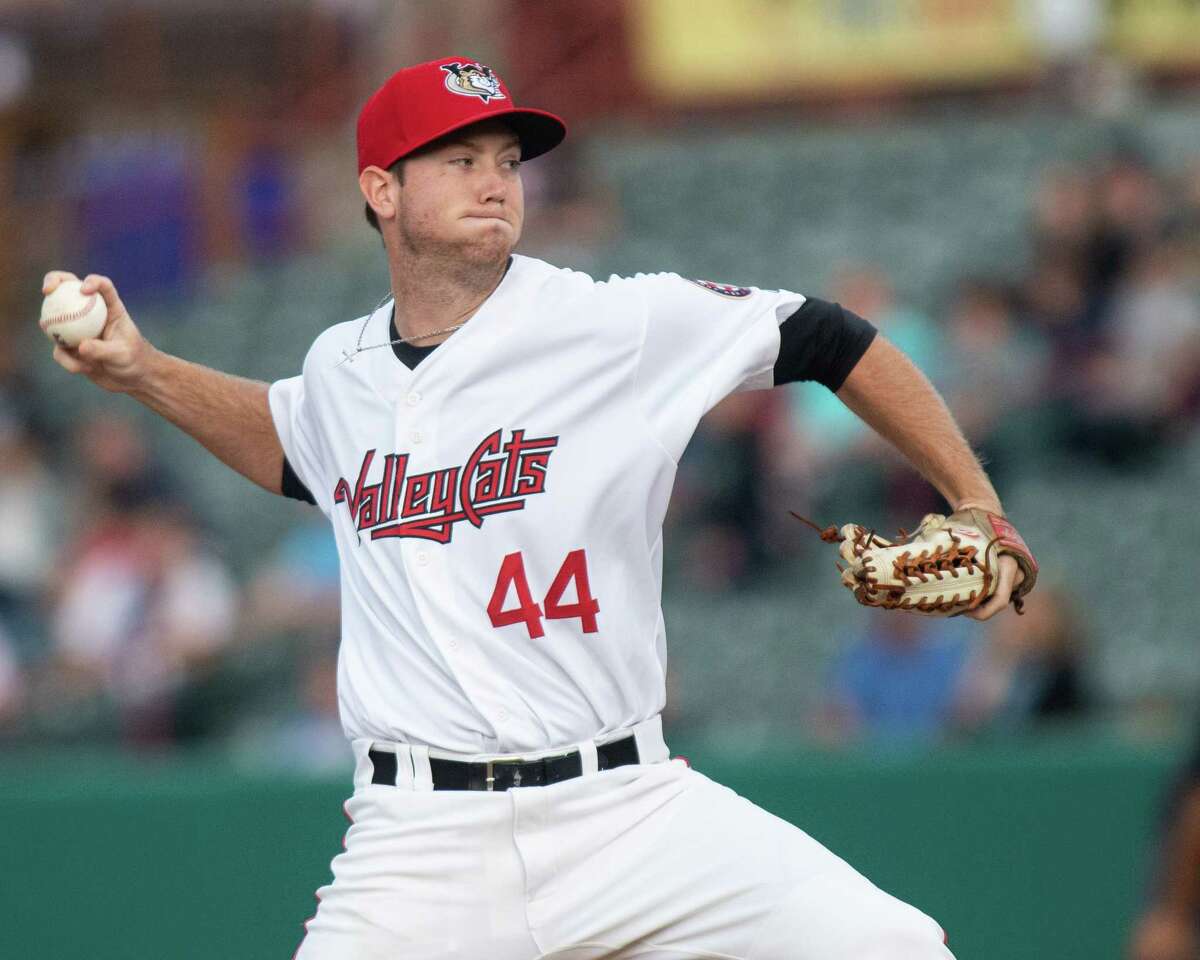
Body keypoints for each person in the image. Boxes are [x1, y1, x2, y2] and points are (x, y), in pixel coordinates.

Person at [45, 55, 1029, 960]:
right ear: (380, 191)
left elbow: (829, 337)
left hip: (629, 813)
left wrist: (975, 500)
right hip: (420, 845)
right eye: (460, 157)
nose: (494, 180)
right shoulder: (337, 369)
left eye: (507, 159)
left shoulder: (614, 322)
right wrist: (140, 370)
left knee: (896, 947)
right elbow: (291, 441)